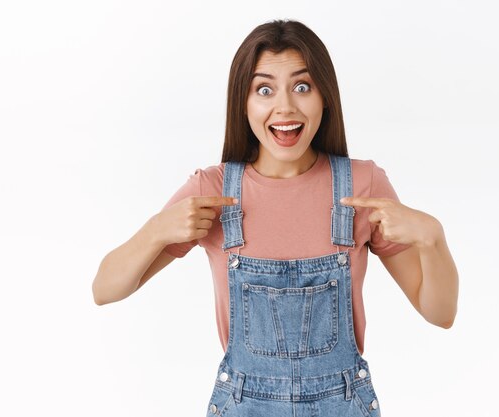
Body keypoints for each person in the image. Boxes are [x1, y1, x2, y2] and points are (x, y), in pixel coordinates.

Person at [92, 18, 458, 417]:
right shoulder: (212, 192)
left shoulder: (362, 186)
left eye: (302, 87)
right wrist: (155, 231)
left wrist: (433, 238)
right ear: (243, 102)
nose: (285, 107)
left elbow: (440, 314)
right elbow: (105, 289)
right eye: (264, 89)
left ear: (325, 97)